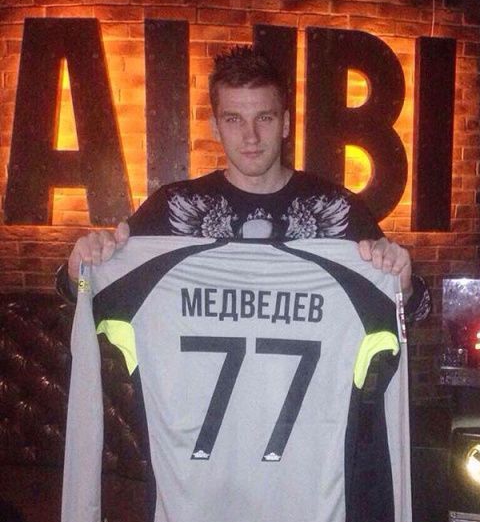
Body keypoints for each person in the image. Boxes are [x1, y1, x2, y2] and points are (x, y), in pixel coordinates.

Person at [56, 45, 429, 320]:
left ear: (285, 123)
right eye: (234, 119)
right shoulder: (172, 208)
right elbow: (91, 297)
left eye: (264, 118)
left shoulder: (338, 209)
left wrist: (404, 284)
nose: (251, 136)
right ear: (216, 127)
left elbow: (415, 311)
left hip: (311, 407)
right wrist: (80, 272)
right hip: (198, 408)